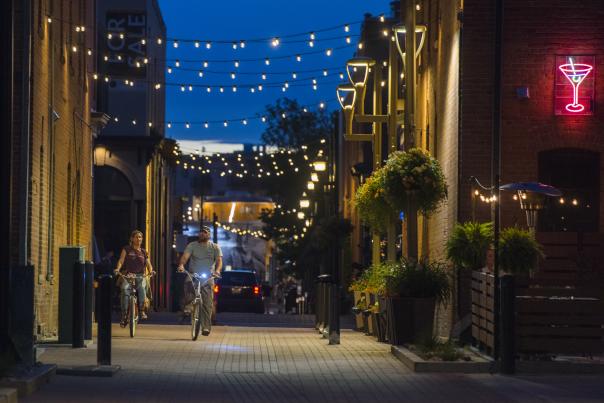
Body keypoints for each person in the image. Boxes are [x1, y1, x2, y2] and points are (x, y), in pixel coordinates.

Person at [177, 226, 222, 336]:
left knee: (207, 302)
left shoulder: (215, 247)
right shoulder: (192, 245)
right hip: (194, 274)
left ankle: (206, 327)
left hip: (208, 276)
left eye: (205, 232)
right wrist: (181, 265)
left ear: (209, 235)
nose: (202, 234)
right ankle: (188, 306)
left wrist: (217, 271)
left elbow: (219, 261)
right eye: (201, 232)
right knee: (188, 282)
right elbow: (185, 257)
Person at [114, 230, 154, 327]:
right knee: (124, 289)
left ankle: (142, 311)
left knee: (141, 289)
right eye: (136, 237)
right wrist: (117, 268)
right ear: (132, 239)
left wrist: (151, 270)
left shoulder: (144, 252)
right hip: (128, 275)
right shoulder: (127, 249)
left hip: (140, 275)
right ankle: (124, 316)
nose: (138, 239)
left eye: (140, 237)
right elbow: (121, 260)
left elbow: (149, 264)